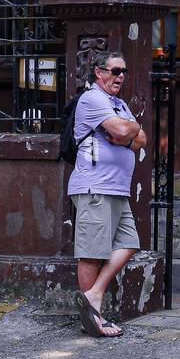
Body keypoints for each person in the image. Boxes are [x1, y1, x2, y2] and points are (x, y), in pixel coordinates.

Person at [69, 50, 146, 338]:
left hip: (116, 187)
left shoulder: (119, 103)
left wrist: (130, 130)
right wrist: (129, 129)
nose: (121, 76)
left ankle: (94, 296)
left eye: (123, 71)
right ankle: (92, 320)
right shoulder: (92, 98)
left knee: (129, 242)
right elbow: (119, 129)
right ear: (99, 72)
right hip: (94, 186)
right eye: (115, 71)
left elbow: (140, 139)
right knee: (91, 253)